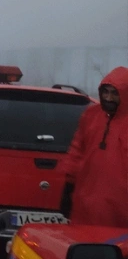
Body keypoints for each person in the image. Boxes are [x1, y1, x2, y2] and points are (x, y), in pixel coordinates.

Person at [60, 66, 128, 227]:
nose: (109, 98)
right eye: (106, 92)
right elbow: (76, 151)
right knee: (84, 246)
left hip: (120, 206)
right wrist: (68, 186)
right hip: (86, 201)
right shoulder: (91, 116)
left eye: (114, 93)